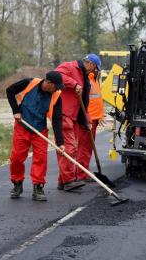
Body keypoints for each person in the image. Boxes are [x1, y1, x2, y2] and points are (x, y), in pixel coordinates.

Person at [6, 71, 65, 201]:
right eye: (56, 86)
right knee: (16, 158)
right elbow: (9, 90)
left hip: (40, 129)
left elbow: (57, 120)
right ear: (48, 83)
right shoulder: (29, 83)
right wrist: (16, 111)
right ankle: (17, 184)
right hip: (22, 126)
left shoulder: (56, 96)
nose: (57, 89)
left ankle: (38, 187)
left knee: (40, 159)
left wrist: (60, 142)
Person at [54, 54, 97, 191]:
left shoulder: (85, 77)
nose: (93, 71)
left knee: (68, 148)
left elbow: (84, 101)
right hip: (63, 112)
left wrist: (87, 119)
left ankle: (63, 181)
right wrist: (73, 84)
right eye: (94, 68)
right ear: (90, 63)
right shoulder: (70, 66)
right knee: (69, 147)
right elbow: (55, 75)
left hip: (74, 116)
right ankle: (68, 181)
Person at [76, 53, 104, 182]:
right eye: (97, 68)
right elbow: (84, 101)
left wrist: (100, 116)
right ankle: (80, 175)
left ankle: (83, 172)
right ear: (92, 65)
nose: (98, 70)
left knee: (87, 148)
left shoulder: (93, 79)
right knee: (84, 148)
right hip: (87, 120)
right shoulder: (85, 79)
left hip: (94, 119)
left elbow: (96, 100)